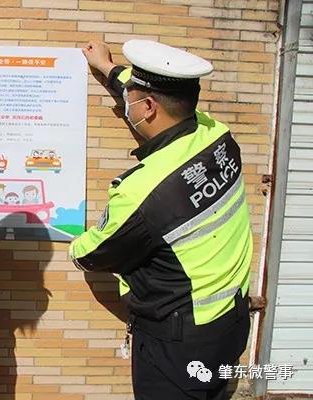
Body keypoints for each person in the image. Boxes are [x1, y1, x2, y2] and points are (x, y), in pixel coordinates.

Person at [70, 39, 252, 400]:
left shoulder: (142, 191)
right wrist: (107, 68)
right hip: (231, 320)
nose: (127, 102)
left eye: (131, 98)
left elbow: (91, 254)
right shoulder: (216, 134)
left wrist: (71, 241)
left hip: (179, 343)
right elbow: (146, 90)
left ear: (149, 107)